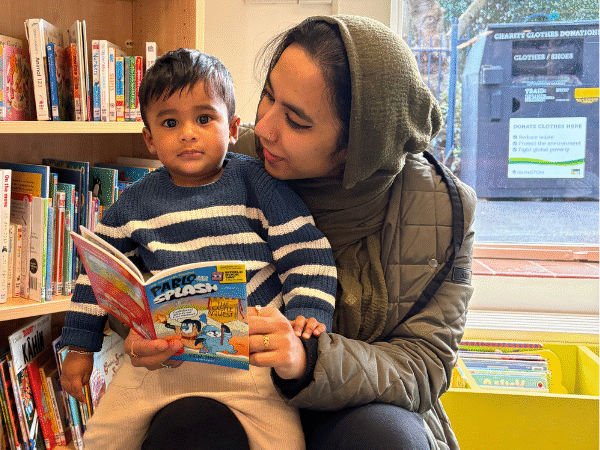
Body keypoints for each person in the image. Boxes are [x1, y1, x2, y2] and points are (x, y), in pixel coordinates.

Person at [93, 15, 477, 450]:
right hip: (230, 384)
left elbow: (424, 366)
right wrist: (137, 333)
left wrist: (310, 358)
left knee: (384, 438)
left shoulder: (441, 211)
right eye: (267, 97)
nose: (266, 128)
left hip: (359, 407)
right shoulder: (220, 155)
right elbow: (144, 274)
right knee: (187, 425)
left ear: (356, 144)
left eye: (296, 120)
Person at [60, 48, 338, 449]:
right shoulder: (133, 203)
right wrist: (80, 346)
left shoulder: (257, 183)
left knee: (286, 443)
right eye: (170, 122)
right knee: (102, 438)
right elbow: (97, 272)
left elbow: (306, 250)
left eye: (204, 118)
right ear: (150, 138)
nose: (188, 132)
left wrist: (307, 314)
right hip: (163, 360)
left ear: (232, 128)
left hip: (250, 361)